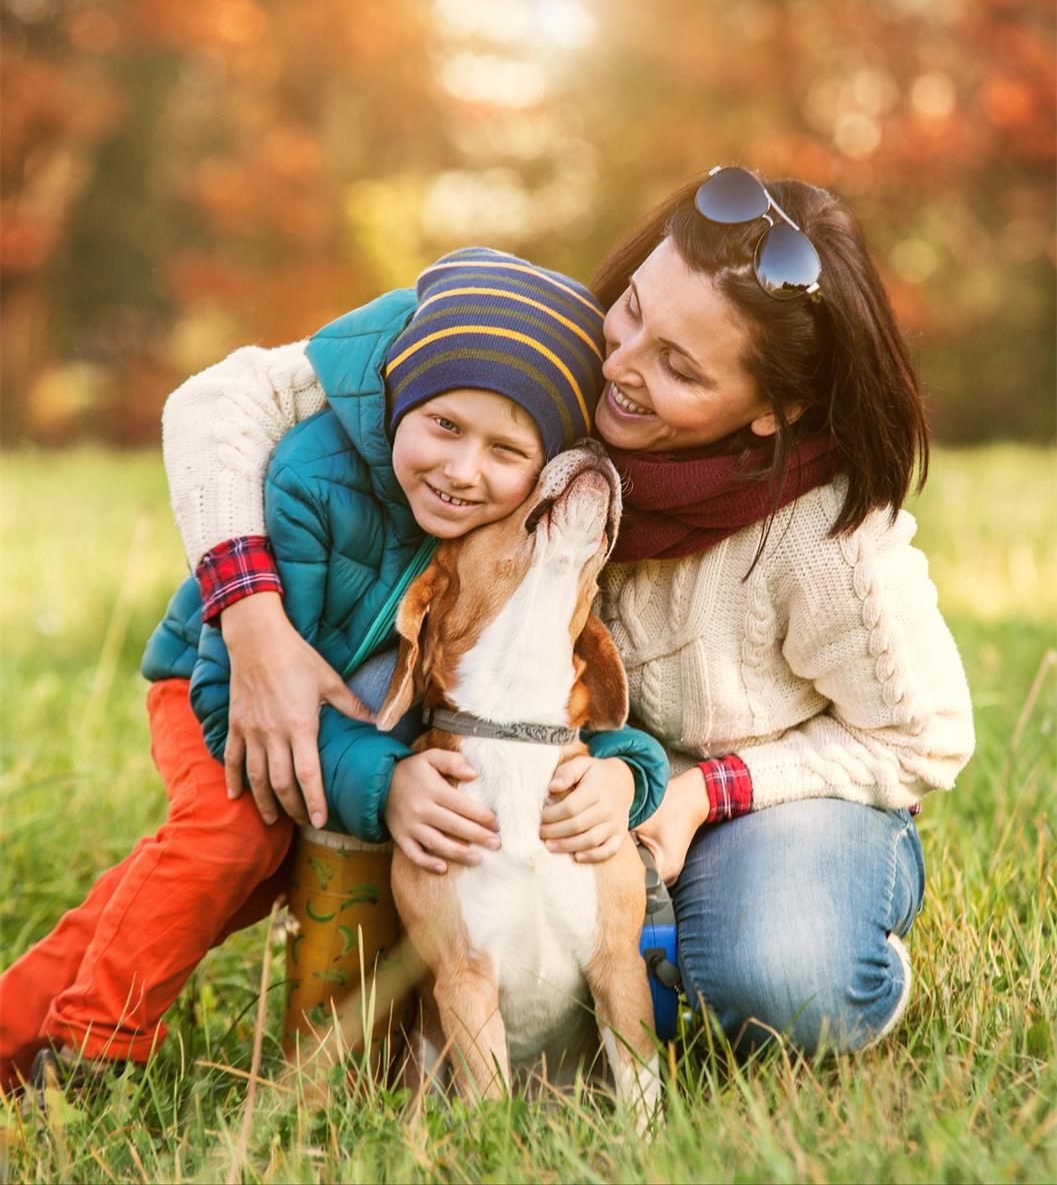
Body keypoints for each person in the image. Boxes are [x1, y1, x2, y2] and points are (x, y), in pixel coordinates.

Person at [127, 168, 975, 1058]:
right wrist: (251, 618)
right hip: (566, 773)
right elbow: (220, 400)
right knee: (376, 674)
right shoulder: (553, 360)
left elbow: (922, 738)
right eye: (635, 309)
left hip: (765, 796)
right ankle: (376, 1016)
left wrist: (697, 793)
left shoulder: (828, 543)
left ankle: (798, 951)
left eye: (677, 368)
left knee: (782, 988)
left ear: (773, 412)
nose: (619, 368)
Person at [0, 248, 669, 1091]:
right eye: (445, 427)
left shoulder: (508, 534)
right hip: (219, 684)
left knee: (222, 884)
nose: (462, 471)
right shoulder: (310, 481)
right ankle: (95, 1049)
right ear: (402, 400)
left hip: (351, 715)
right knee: (235, 839)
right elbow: (234, 694)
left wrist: (631, 772)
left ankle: (9, 1036)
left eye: (507, 449)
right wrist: (384, 782)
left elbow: (541, 706)